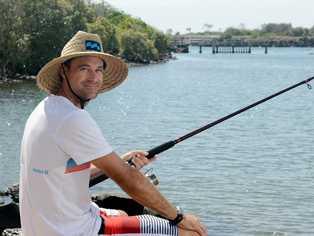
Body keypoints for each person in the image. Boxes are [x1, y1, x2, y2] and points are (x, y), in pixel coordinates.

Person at [19, 31, 207, 236]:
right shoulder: (72, 118)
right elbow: (128, 179)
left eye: (98, 69)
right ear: (64, 70)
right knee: (191, 231)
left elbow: (62, 171)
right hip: (74, 231)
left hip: (44, 227)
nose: (94, 77)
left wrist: (121, 161)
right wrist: (179, 218)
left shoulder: (47, 109)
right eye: (84, 68)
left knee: (120, 213)